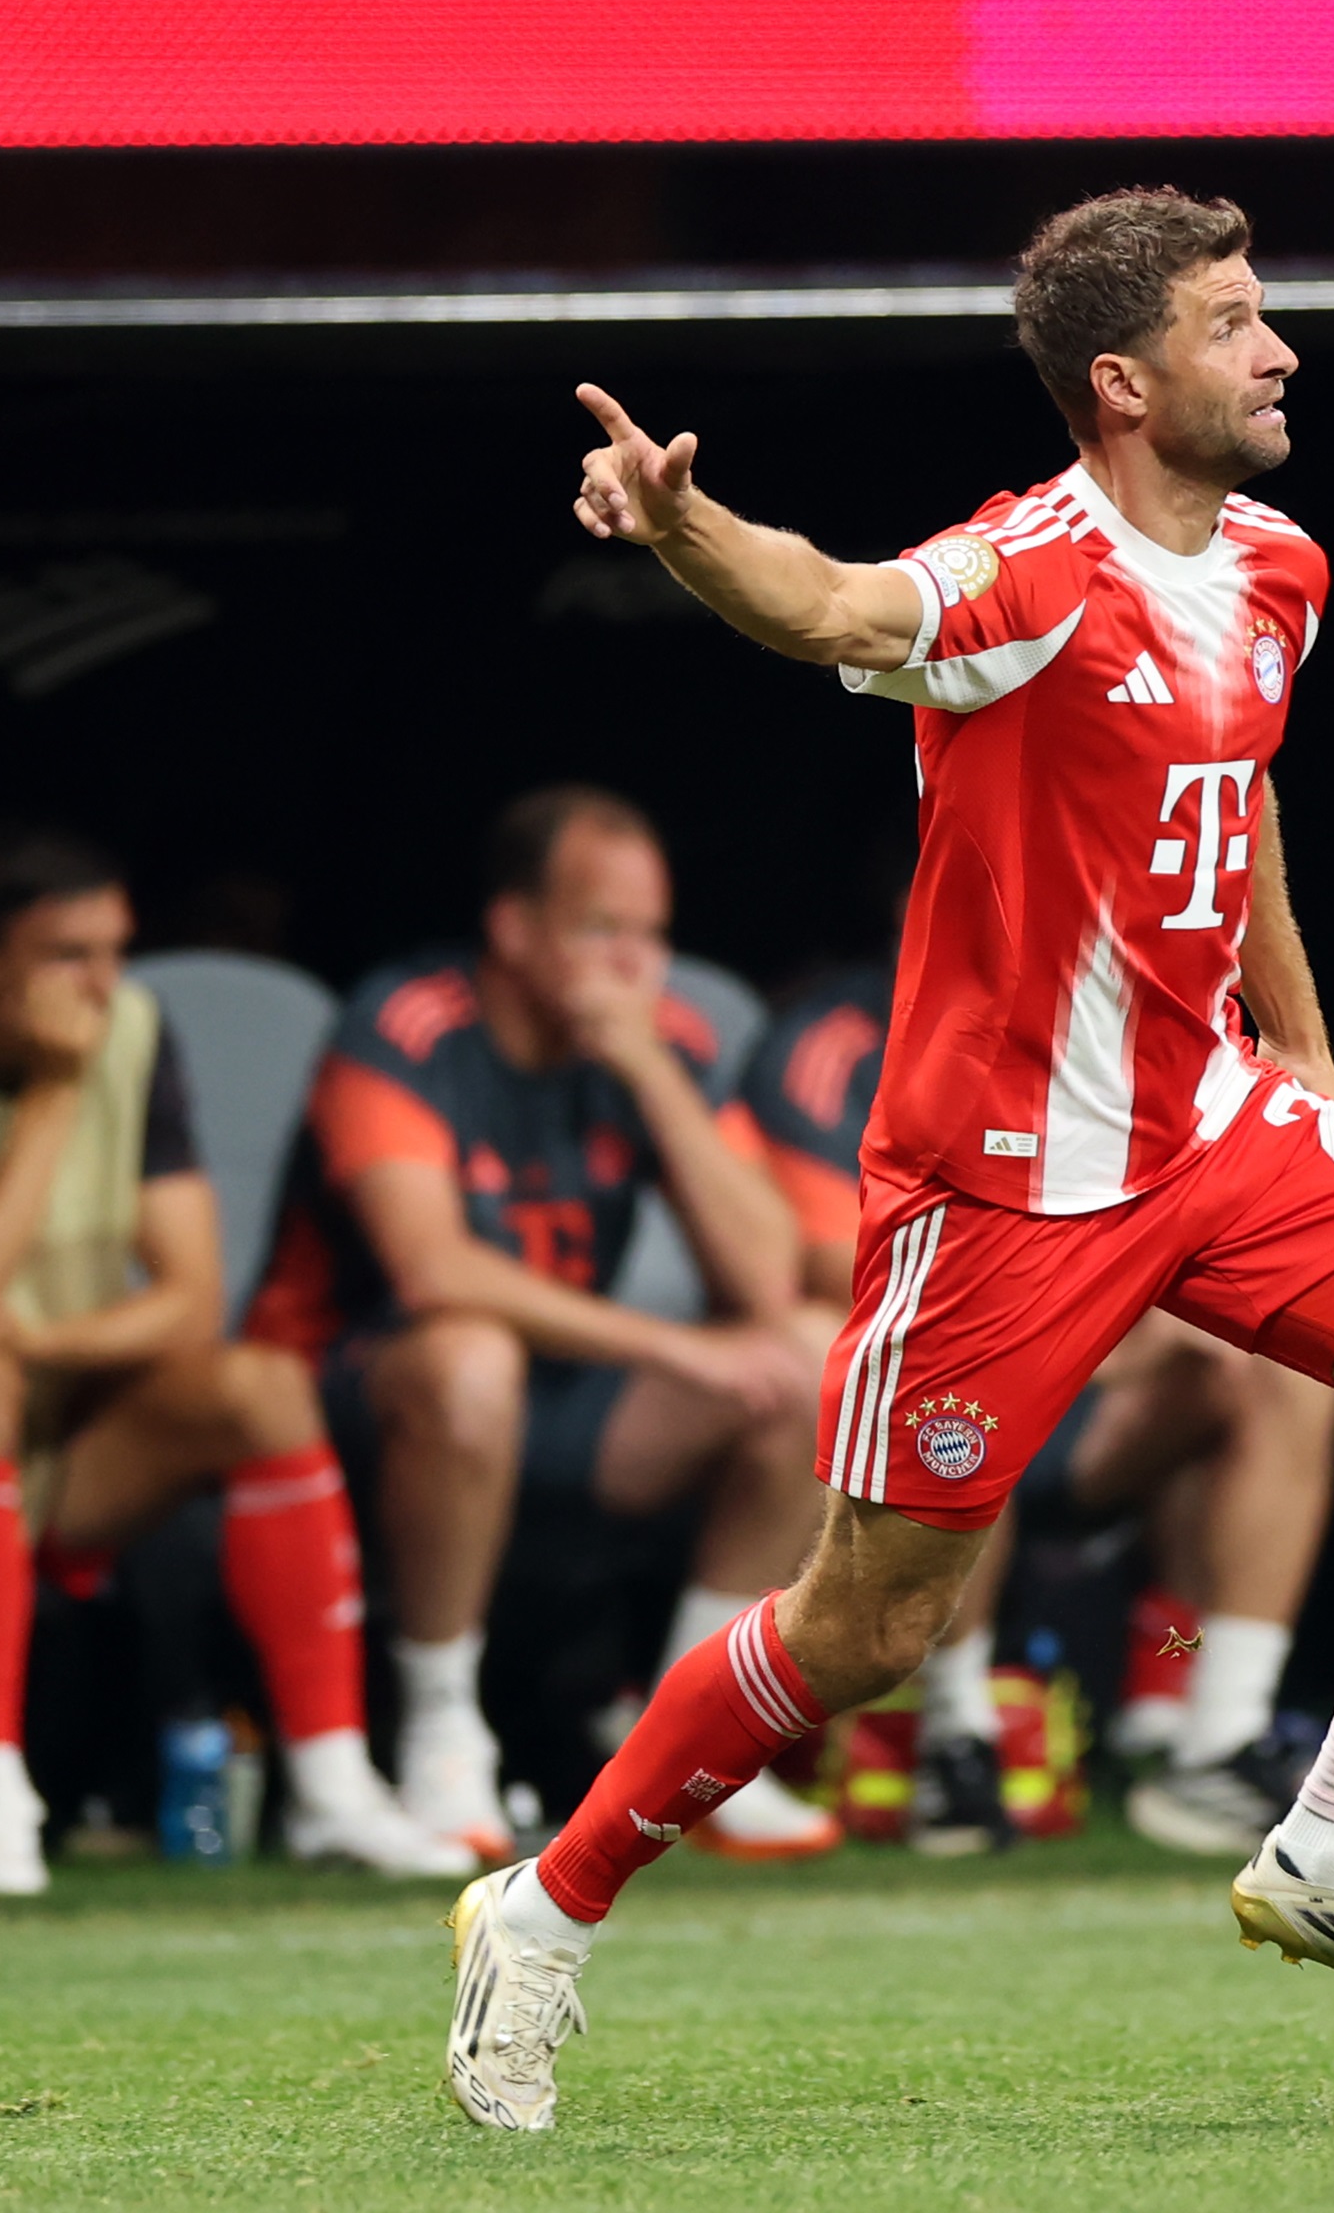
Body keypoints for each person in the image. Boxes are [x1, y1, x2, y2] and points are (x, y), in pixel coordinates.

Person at [443, 187, 1334, 2133]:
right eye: (1241, 325)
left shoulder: (1284, 568)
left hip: (1218, 1121)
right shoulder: (1027, 575)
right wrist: (679, 526)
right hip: (1006, 1187)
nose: (1283, 350)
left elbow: (1242, 805)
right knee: (872, 1635)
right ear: (1128, 382)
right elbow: (826, 601)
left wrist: (1305, 1055)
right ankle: (541, 1911)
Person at [0, 822, 466, 1892]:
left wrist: (42, 1343)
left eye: (114, 952)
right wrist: (54, 1096)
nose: (103, 987)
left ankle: (336, 1786)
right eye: (68, 957)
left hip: (61, 1416)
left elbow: (191, 1297)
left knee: (261, 1386)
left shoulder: (136, 1030)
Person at [246, 785, 835, 1864]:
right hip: (355, 1396)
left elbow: (768, 1274)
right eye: (600, 930)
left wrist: (650, 1071)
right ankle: (440, 1739)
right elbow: (430, 1270)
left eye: (651, 937)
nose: (632, 966)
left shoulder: (663, 1041)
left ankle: (697, 1740)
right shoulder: (406, 1023)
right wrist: (669, 1344)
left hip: (560, 1392)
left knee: (811, 1356)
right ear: (515, 931)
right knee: (472, 1359)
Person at [750, 950, 1334, 1858]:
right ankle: (958, 1744)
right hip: (935, 1373)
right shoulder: (842, 1041)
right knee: (957, 1372)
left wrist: (1147, 1312)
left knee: (1278, 1355)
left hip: (1095, 1382)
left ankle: (1214, 1737)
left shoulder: (1129, 1013)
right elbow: (838, 1265)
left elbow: (1216, 1230)